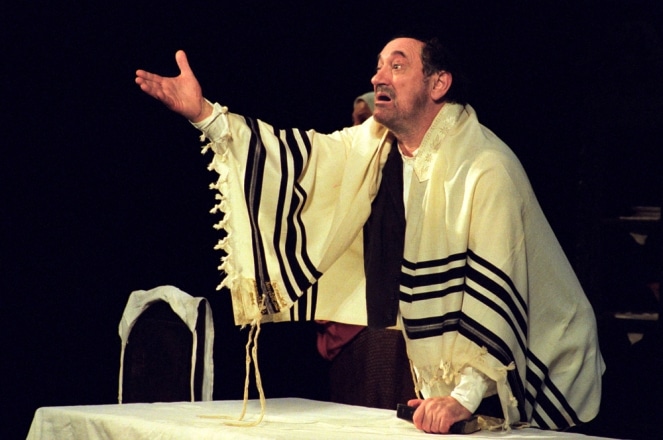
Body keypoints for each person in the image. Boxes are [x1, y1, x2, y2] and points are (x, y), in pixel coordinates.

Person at [135, 36, 605, 434]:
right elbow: (300, 159)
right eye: (378, 66)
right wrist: (207, 115)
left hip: (546, 370)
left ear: (438, 84)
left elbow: (498, 290)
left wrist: (462, 398)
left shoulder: (485, 169)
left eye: (397, 66)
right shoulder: (379, 148)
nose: (379, 76)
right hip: (473, 386)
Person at [316, 91, 417, 410]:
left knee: (377, 417)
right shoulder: (350, 176)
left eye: (365, 119)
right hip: (344, 328)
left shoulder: (396, 177)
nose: (357, 128)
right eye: (355, 120)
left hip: (378, 327)